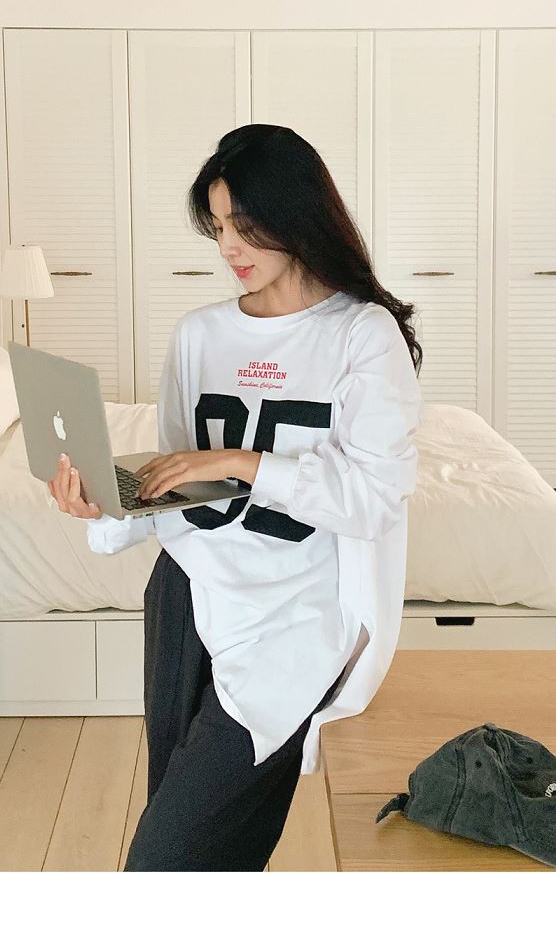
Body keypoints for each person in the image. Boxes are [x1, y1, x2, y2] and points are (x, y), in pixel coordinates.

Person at [47, 124, 424, 871]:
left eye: (244, 225)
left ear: (296, 214)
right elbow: (177, 480)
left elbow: (374, 498)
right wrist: (108, 504)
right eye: (218, 226)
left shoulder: (362, 333)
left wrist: (244, 462)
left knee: (165, 860)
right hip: (185, 594)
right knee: (193, 844)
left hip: (292, 619)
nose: (228, 246)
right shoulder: (200, 334)